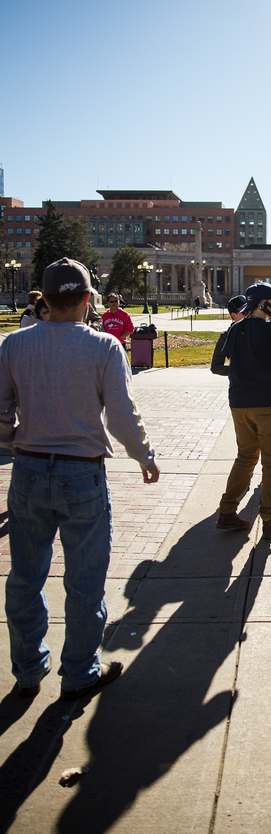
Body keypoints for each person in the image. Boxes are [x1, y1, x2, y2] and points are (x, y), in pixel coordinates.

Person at [0, 257, 160, 700]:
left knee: (25, 577)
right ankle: (79, 672)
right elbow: (122, 416)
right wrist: (144, 456)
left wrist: (16, 440)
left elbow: (1, 412)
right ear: (88, 300)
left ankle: (28, 669)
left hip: (29, 470)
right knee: (85, 582)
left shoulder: (13, 346)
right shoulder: (104, 347)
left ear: (45, 300)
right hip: (82, 474)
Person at [216, 282, 271, 541]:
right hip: (268, 404)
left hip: (240, 403)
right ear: (265, 304)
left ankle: (227, 510)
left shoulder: (235, 329)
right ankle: (268, 519)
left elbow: (232, 359)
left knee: (245, 457)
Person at [209, 295, 246, 376]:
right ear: (234, 315)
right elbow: (215, 367)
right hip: (238, 385)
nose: (248, 314)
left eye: (250, 310)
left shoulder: (257, 330)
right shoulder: (226, 336)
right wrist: (236, 370)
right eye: (244, 311)